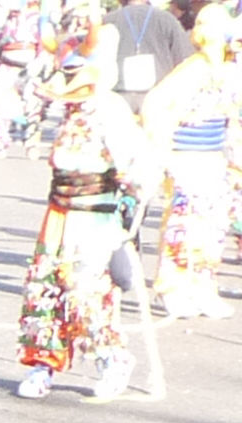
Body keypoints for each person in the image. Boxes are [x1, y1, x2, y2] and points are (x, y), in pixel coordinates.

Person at [15, 13, 156, 398]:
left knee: (87, 292)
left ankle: (112, 360)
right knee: (46, 289)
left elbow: (140, 165)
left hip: (95, 217)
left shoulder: (110, 111)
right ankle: (43, 364)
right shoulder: (71, 113)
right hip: (59, 217)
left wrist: (130, 205)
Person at [141, 3, 239, 316]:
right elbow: (155, 105)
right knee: (183, 222)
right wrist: (162, 148)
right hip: (186, 155)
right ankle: (172, 286)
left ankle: (202, 285)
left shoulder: (224, 72)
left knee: (212, 226)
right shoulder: (193, 69)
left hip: (214, 156)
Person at [104, 0, 193, 112]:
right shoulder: (167, 19)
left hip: (117, 103)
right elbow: (185, 61)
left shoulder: (108, 21)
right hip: (159, 102)